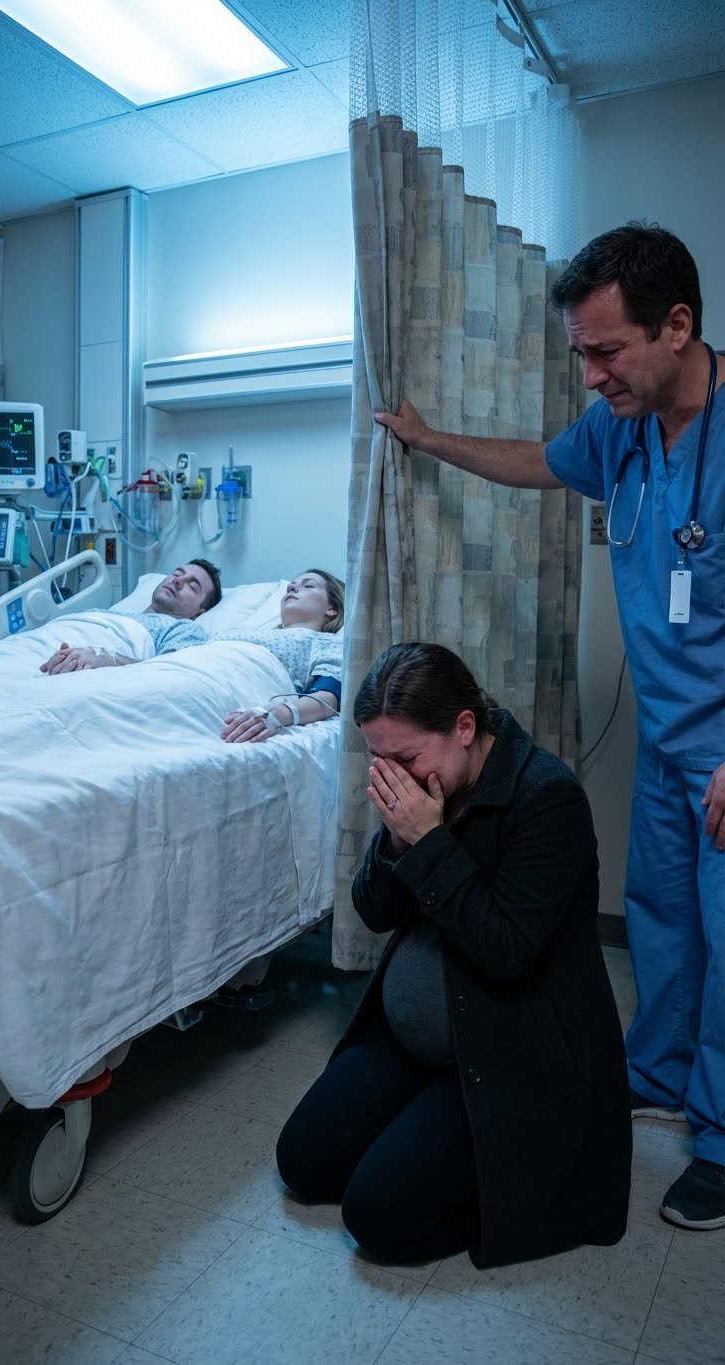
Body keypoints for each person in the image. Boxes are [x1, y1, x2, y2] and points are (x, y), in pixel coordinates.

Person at [373, 222, 725, 1231]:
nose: (591, 377)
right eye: (581, 354)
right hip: (667, 738)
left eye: (605, 352)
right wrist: (431, 440)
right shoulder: (623, 430)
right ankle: (659, 1072)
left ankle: (722, 1137)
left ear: (677, 326)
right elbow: (536, 461)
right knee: (661, 918)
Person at [277, 643, 631, 1268]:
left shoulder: (547, 799)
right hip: (411, 1045)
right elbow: (375, 912)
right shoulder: (421, 785)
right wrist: (397, 841)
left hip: (505, 1051)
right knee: (303, 1163)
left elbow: (507, 953)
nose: (393, 776)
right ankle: (424, 1127)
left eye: (406, 758)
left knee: (377, 1216)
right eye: (379, 758)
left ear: (464, 727)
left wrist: (428, 841)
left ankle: (501, 1186)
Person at [220, 569, 344, 743]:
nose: (292, 588)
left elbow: (328, 699)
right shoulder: (246, 632)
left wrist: (283, 713)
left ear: (332, 609)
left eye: (308, 585)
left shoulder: (328, 643)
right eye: (291, 586)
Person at [40, 559, 221, 673]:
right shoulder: (107, 614)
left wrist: (107, 658)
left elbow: (167, 672)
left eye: (192, 586)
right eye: (177, 573)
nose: (178, 580)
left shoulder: (183, 628)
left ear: (199, 612)